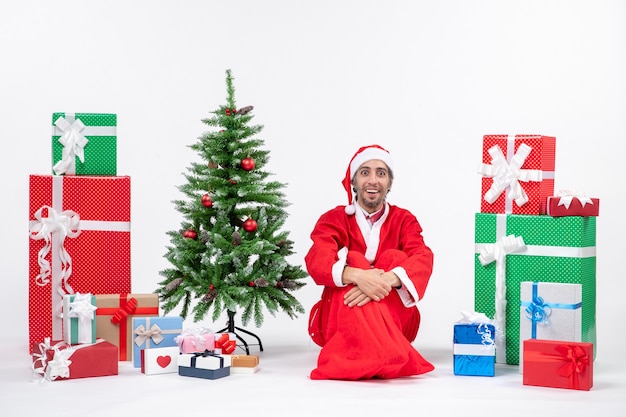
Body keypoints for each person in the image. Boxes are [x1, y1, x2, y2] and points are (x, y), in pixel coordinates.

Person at [305, 144, 435, 380]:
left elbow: (423, 257)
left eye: (381, 173)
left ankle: (362, 358)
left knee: (394, 259)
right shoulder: (333, 219)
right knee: (353, 259)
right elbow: (317, 259)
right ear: (353, 182)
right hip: (339, 319)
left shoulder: (405, 220)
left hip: (397, 321)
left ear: (390, 183)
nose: (373, 180)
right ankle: (389, 355)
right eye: (365, 172)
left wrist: (384, 279)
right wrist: (357, 276)